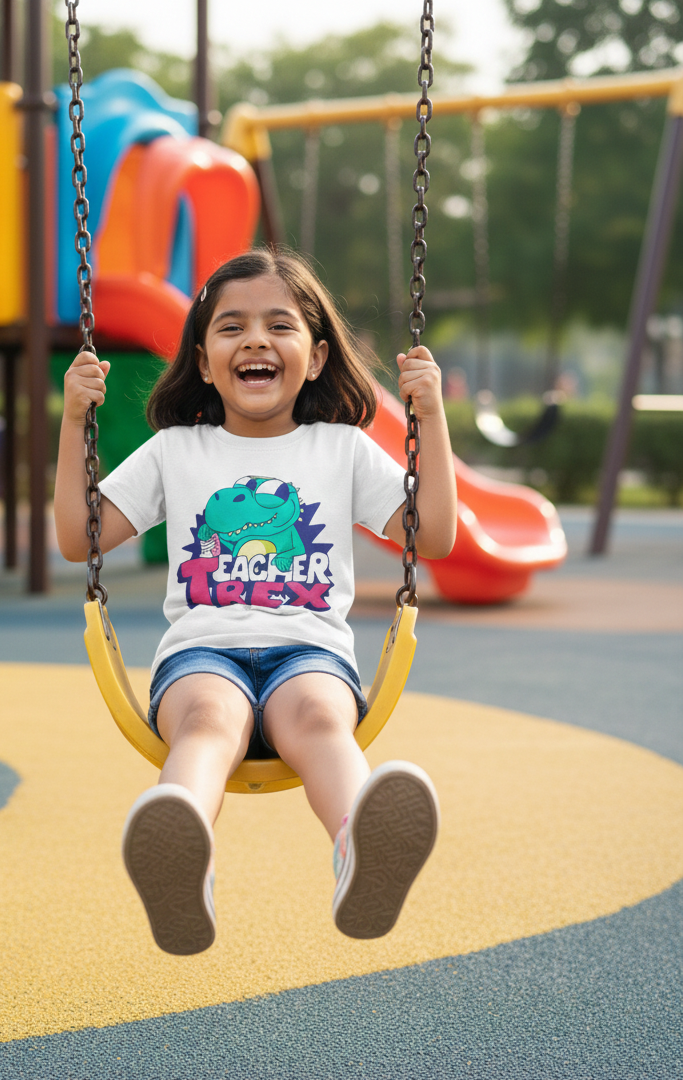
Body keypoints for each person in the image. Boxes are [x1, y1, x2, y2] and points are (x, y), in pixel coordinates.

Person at [55, 248, 457, 955]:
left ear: (319, 355)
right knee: (208, 718)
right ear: (205, 362)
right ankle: (180, 852)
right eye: (231, 327)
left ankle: (360, 849)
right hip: (202, 652)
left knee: (318, 716)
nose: (256, 341)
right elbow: (75, 535)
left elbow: (435, 535)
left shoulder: (343, 450)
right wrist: (71, 422)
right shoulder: (176, 452)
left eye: (280, 325)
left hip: (309, 652)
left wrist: (432, 414)